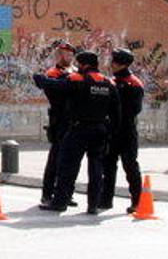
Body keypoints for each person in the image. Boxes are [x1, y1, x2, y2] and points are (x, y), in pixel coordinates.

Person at [35, 51, 120, 214]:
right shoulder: (108, 83)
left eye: (79, 64)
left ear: (83, 65)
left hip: (79, 129)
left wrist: (40, 79)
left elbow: (57, 87)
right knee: (96, 168)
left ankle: (60, 202)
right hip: (100, 130)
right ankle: (93, 204)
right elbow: (117, 112)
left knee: (67, 166)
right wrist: (110, 133)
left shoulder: (77, 79)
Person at [100, 48, 144, 213]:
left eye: (115, 61)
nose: (111, 64)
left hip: (126, 131)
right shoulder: (110, 81)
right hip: (112, 130)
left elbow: (134, 109)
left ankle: (137, 201)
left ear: (122, 64)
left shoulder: (134, 83)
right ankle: (105, 200)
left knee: (130, 166)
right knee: (108, 167)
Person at [38, 42, 77, 206]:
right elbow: (55, 95)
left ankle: (66, 193)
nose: (65, 56)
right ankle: (47, 193)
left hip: (74, 120)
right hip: (59, 120)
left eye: (68, 54)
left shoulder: (76, 72)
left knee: (71, 160)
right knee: (55, 159)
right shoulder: (52, 73)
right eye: (62, 53)